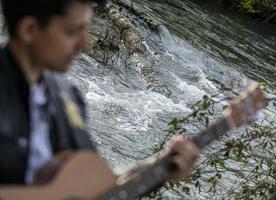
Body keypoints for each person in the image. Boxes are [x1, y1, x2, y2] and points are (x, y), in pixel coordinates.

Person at [0, 0, 199, 187]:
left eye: (87, 28)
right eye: (73, 31)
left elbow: (95, 189)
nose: (85, 44)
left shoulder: (68, 97)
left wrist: (158, 169)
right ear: (29, 30)